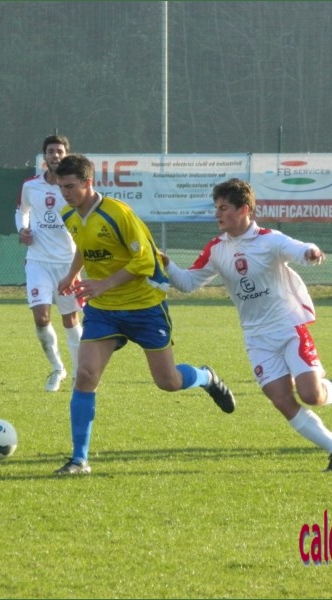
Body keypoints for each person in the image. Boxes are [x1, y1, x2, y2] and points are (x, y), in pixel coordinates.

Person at [52, 154, 236, 476]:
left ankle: (206, 377)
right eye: (61, 187)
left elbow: (145, 261)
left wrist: (103, 283)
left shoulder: (119, 214)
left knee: (168, 381)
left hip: (144, 307)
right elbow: (84, 243)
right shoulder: (68, 213)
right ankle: (79, 460)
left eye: (70, 187)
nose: (64, 193)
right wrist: (72, 274)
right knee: (85, 375)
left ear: (88, 183)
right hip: (104, 310)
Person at [161, 178, 332, 473]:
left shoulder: (269, 239)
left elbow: (299, 248)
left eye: (224, 208)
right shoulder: (216, 249)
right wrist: (165, 263)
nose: (217, 214)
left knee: (312, 395)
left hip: (288, 328)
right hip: (256, 337)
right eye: (216, 207)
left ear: (244, 210)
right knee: (281, 400)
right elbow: (188, 283)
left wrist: (311, 252)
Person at [15, 134, 82, 392]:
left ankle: (78, 375)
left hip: (67, 263)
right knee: (41, 317)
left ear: (67, 155)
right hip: (38, 261)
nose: (55, 155)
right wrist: (22, 229)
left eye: (59, 151)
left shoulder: (73, 187)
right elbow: (21, 211)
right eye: (51, 151)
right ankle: (57, 369)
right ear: (45, 156)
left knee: (70, 320)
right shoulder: (31, 186)